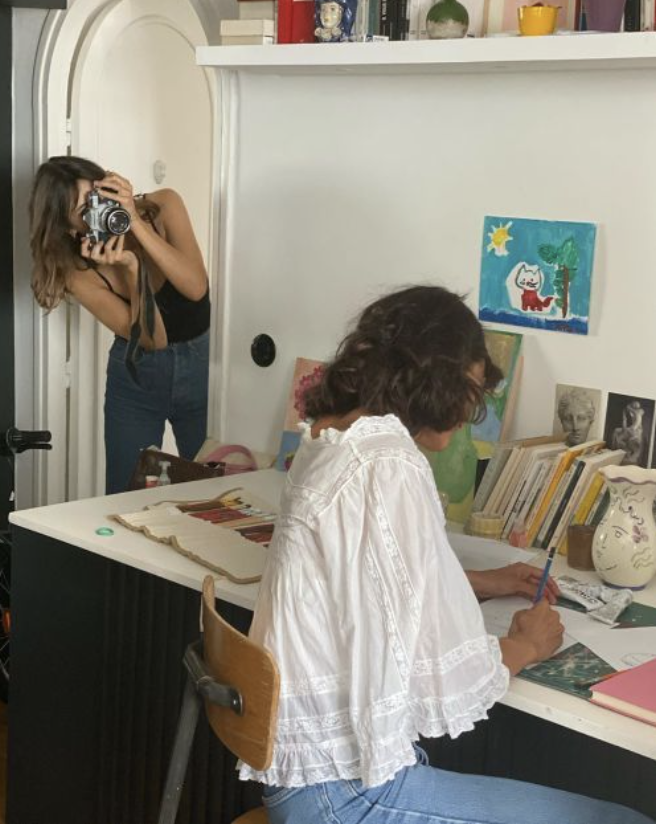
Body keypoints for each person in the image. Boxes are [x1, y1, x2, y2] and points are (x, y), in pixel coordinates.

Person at [239, 286, 650, 824]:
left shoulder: (334, 438)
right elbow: (452, 681)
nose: (469, 413)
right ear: (432, 381)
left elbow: (368, 579)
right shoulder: (387, 462)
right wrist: (525, 645)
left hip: (309, 775)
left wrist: (481, 582)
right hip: (345, 797)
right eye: (469, 392)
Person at [29, 156, 210, 494]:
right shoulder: (79, 274)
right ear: (70, 228)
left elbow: (196, 288)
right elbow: (153, 340)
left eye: (98, 196)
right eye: (84, 210)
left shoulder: (165, 205)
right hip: (137, 379)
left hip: (203, 369)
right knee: (127, 498)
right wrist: (130, 267)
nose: (100, 209)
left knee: (213, 488)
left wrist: (135, 222)